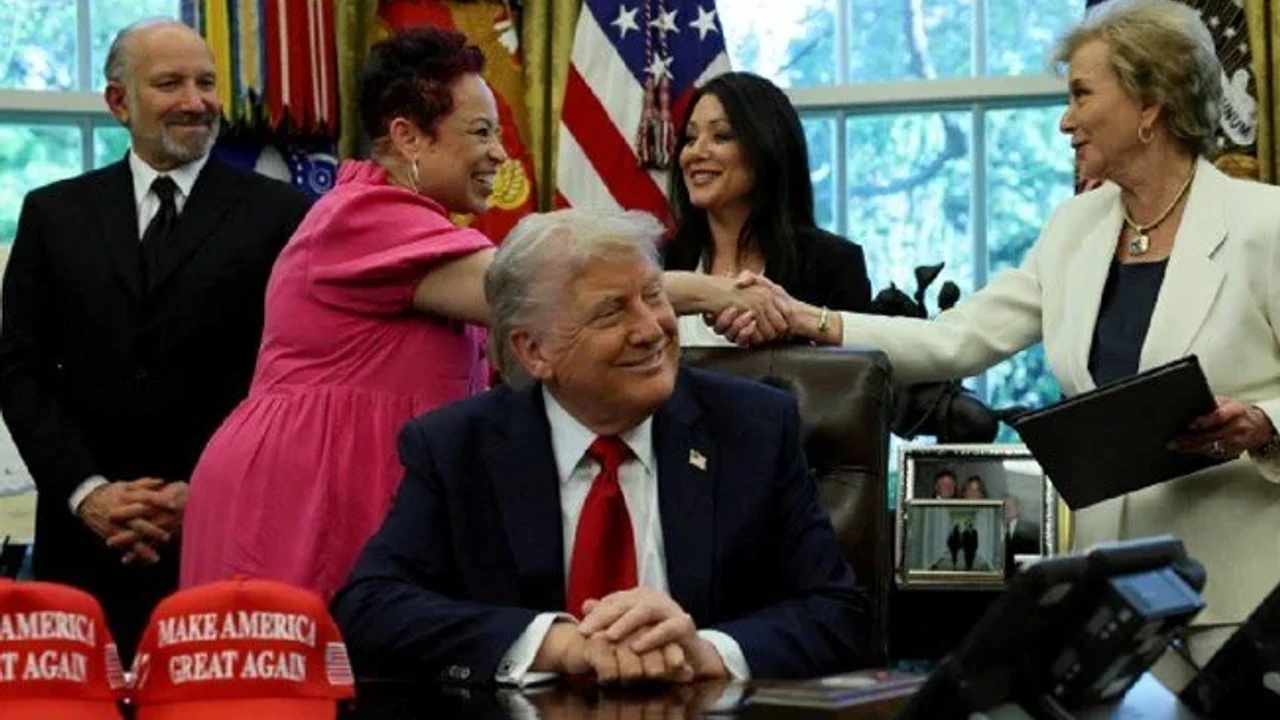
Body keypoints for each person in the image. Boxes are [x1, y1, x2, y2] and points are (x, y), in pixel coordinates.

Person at [718, 0, 1280, 683]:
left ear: (1150, 104)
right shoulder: (1074, 228)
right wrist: (813, 320)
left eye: (1081, 94)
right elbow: (957, 339)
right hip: (1121, 607)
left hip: (1246, 603)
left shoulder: (1264, 225)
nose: (1066, 120)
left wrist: (1264, 423)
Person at [331, 209, 868, 686]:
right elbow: (369, 610)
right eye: (612, 312)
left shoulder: (754, 428)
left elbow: (839, 614)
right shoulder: (456, 448)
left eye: (654, 296)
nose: (651, 330)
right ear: (534, 350)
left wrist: (707, 651)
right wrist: (558, 644)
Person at [0, 19, 309, 662]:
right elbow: (18, 370)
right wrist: (88, 492)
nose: (196, 101)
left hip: (224, 538)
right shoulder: (54, 213)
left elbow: (292, 379)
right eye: (170, 83)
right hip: (82, 542)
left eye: (207, 83)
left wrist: (205, 491)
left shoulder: (284, 214)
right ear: (119, 102)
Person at [179, 27, 503, 601]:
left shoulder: (411, 223)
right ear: (407, 136)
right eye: (482, 132)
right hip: (301, 496)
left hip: (352, 481)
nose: (500, 153)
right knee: (294, 657)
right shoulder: (363, 216)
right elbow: (537, 292)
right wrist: (676, 290)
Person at [662, 71, 871, 346]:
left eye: (721, 136)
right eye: (690, 138)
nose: (695, 152)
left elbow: (855, 368)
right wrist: (718, 292)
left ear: (767, 147)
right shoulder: (660, 259)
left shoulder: (833, 264)